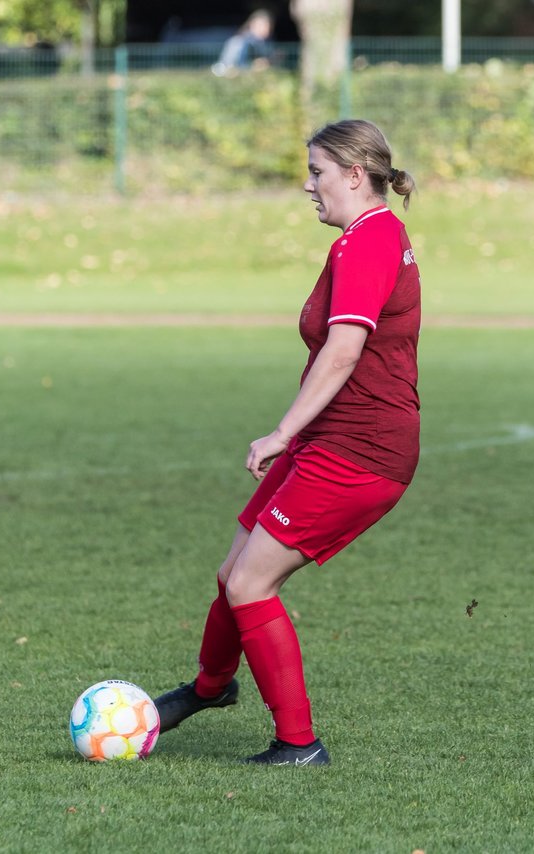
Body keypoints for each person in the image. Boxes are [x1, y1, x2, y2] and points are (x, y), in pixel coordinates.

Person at [154, 119, 421, 767]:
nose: (310, 186)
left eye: (317, 172)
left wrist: (283, 430)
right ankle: (211, 689)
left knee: (250, 584)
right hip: (334, 439)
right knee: (232, 573)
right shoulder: (370, 236)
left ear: (355, 175)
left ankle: (298, 745)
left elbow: (343, 350)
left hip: (361, 451)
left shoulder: (367, 242)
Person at [212, 10, 274, 76]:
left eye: (267, 26)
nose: (265, 29)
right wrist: (253, 66)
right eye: (261, 25)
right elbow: (230, 65)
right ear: (252, 24)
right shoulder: (239, 41)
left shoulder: (263, 43)